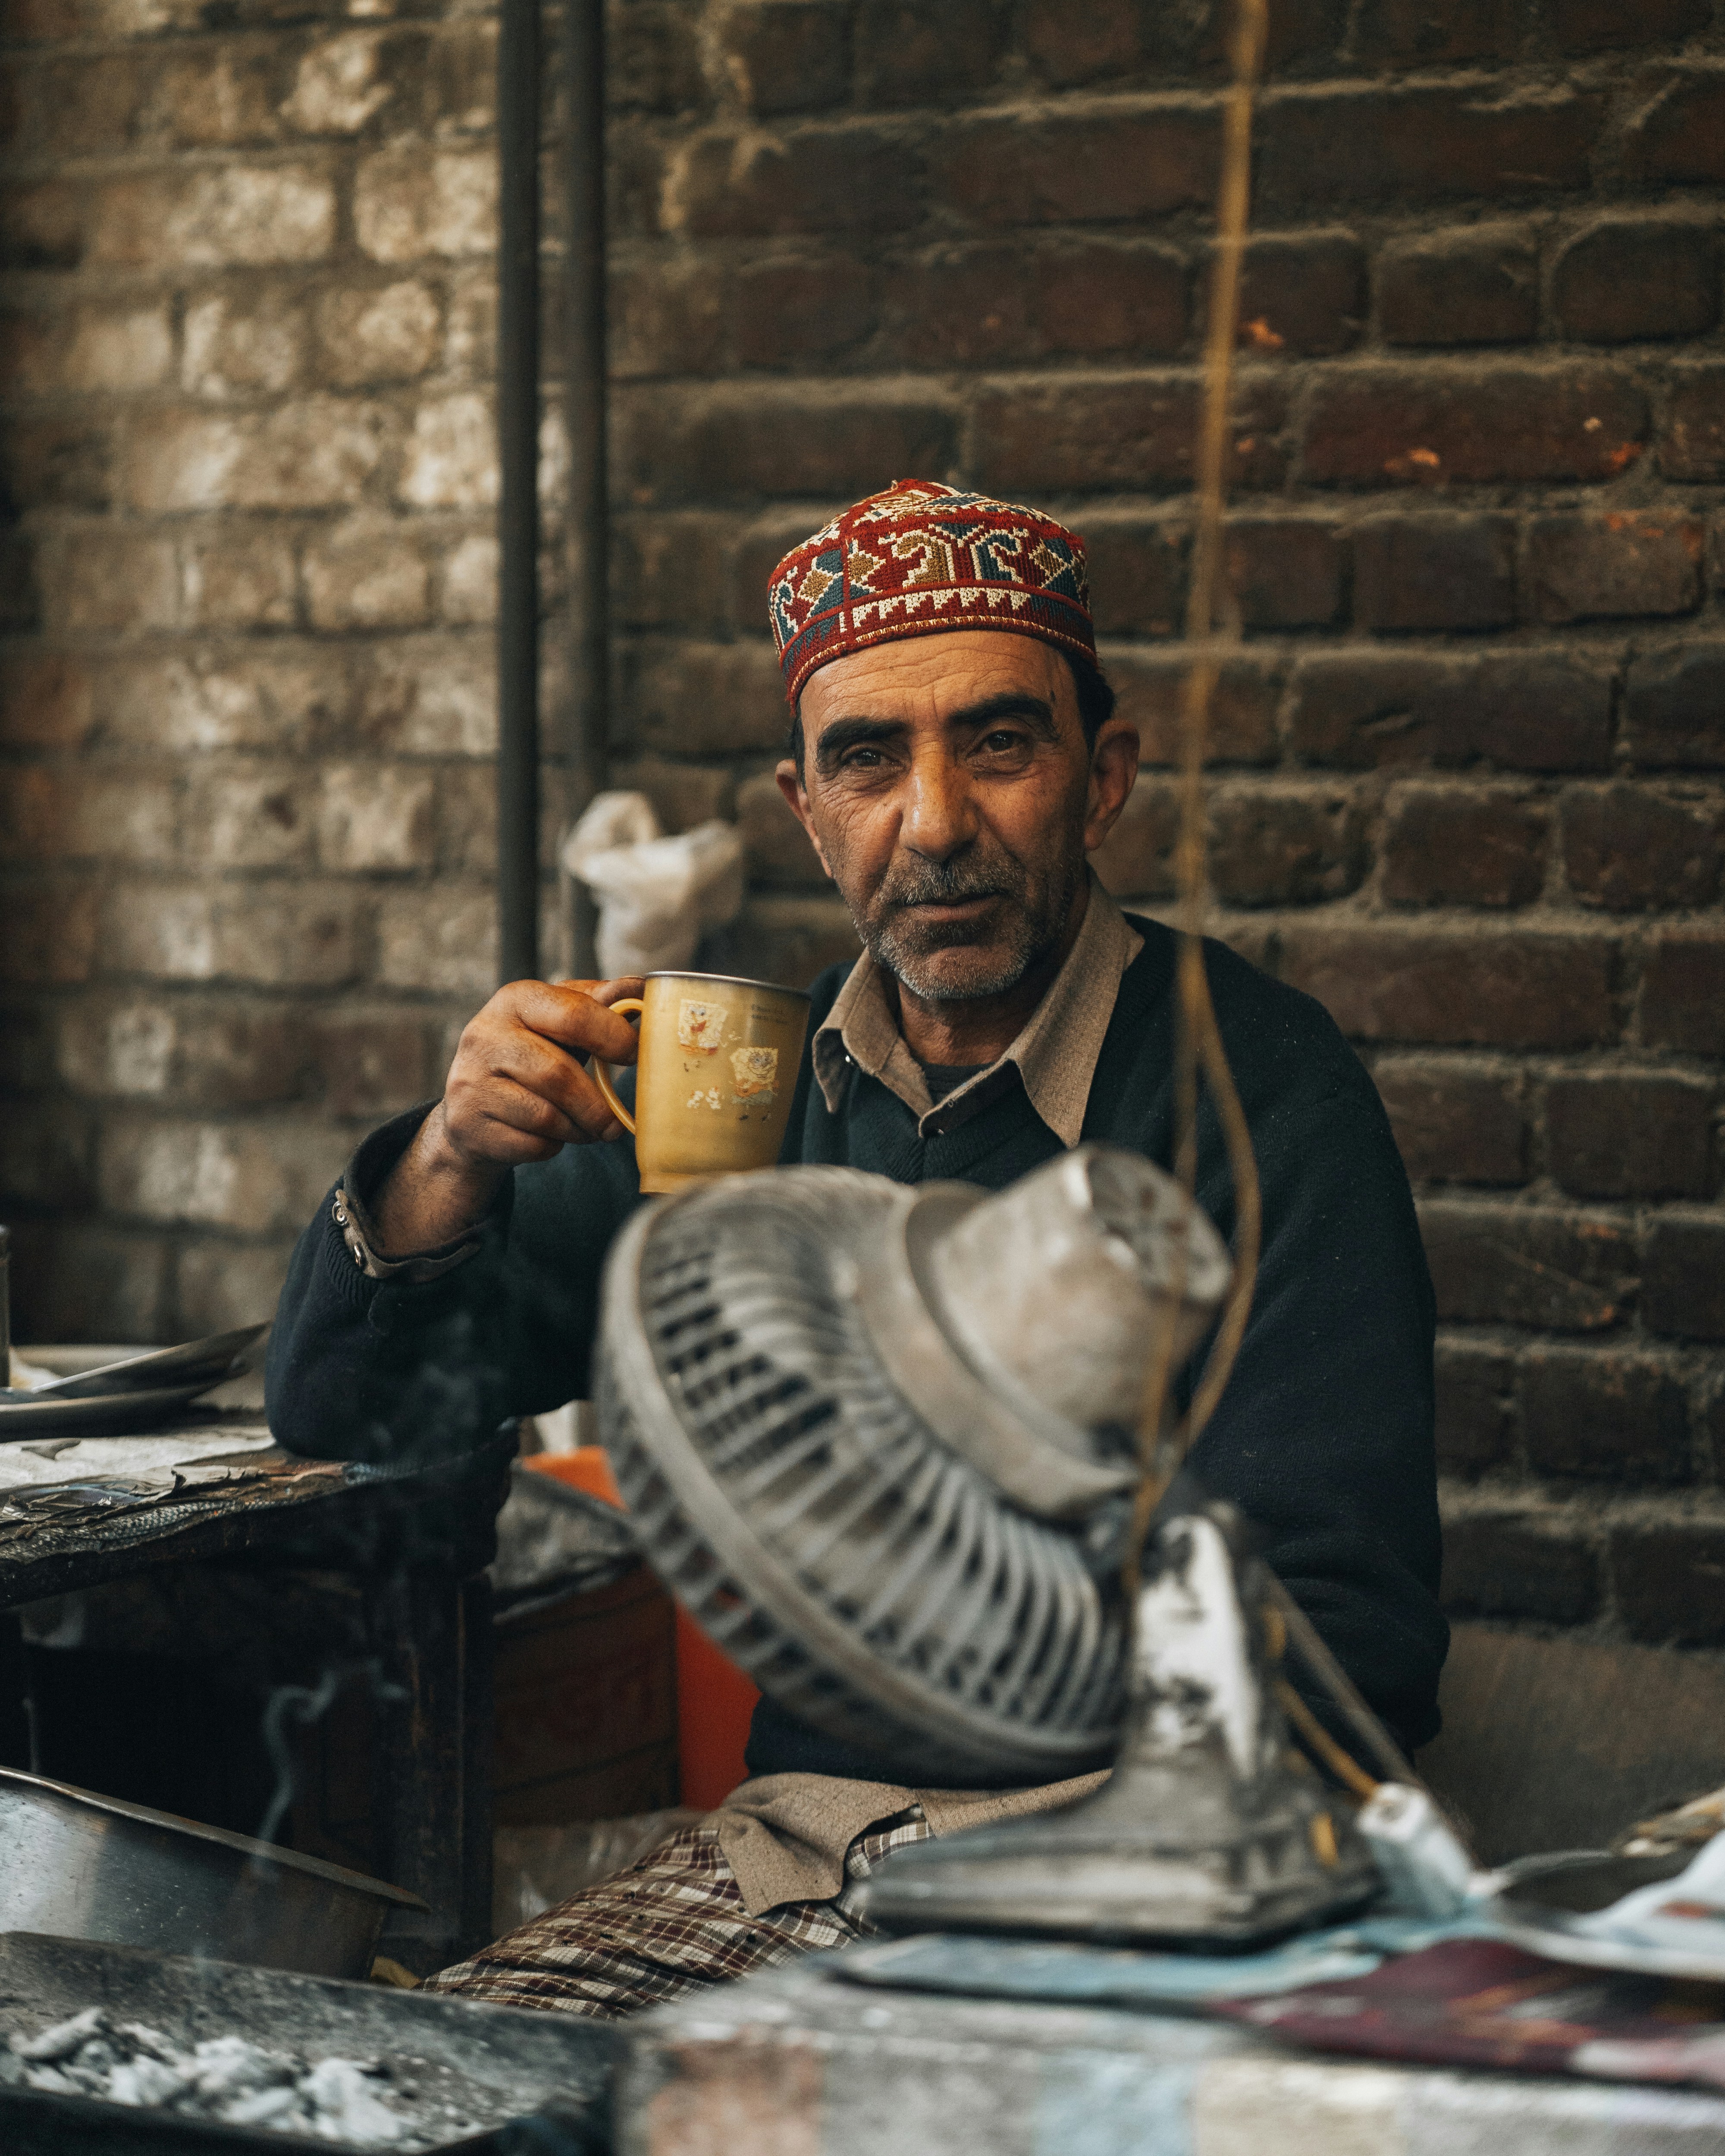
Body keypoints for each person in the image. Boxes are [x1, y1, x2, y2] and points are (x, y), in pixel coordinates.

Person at [267, 479, 1445, 2018]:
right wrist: (446, 1156)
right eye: (869, 761)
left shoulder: (1262, 1092)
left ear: (1104, 777)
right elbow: (346, 1405)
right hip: (797, 1861)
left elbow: (1351, 1648)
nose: (937, 823)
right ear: (806, 813)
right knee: (439, 2080)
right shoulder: (736, 1092)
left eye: (1001, 743)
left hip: (1123, 1879)